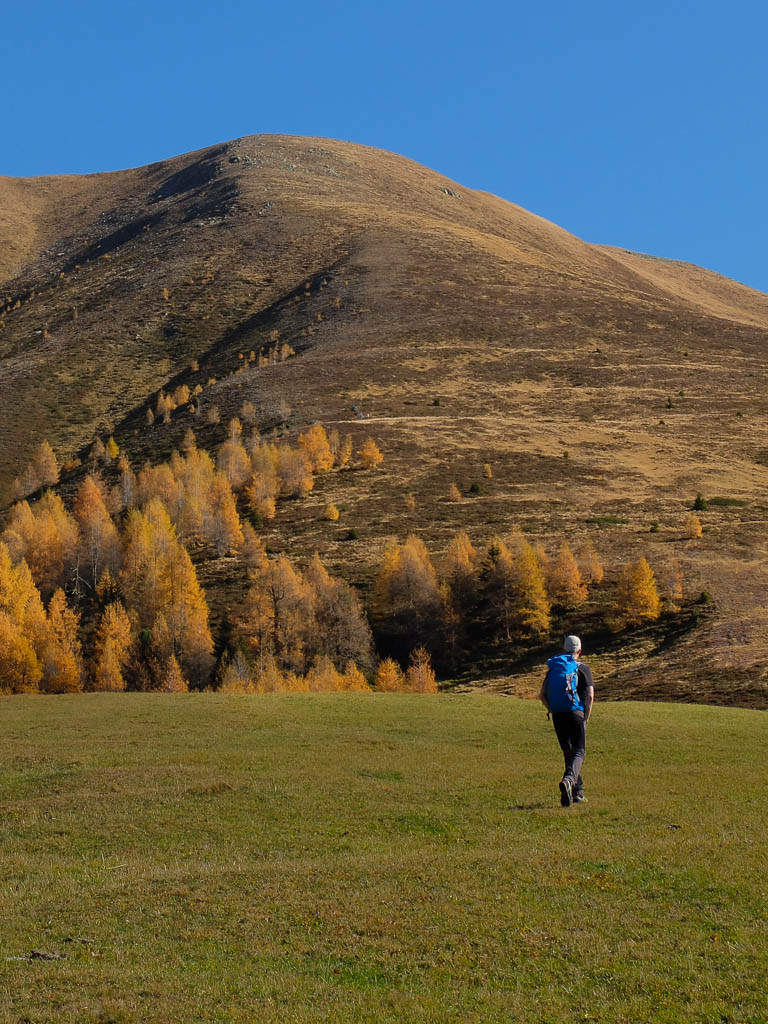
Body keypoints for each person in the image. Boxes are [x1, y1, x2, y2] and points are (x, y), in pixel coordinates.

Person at [539, 635, 594, 807]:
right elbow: (590, 696)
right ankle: (569, 780)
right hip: (576, 713)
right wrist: (585, 717)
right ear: (580, 651)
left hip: (558, 714)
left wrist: (552, 709)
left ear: (564, 649)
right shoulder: (582, 668)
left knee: (569, 753)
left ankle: (576, 793)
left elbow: (541, 694)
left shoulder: (554, 669)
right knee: (579, 752)